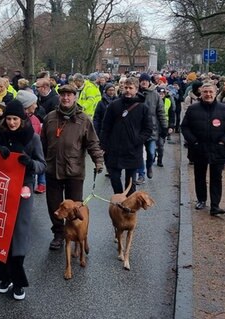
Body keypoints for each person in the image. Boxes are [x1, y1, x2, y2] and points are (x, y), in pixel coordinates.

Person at [0, 100, 46, 301]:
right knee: (0, 232)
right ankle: (4, 278)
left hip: (23, 188)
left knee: (19, 233)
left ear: (22, 120)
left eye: (15, 119)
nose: (12, 123)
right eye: (9, 119)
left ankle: (19, 281)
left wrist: (30, 164)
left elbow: (42, 165)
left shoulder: (33, 138)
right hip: (0, 188)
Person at [40, 84, 104, 250]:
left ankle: (76, 233)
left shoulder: (83, 119)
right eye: (63, 95)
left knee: (75, 207)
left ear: (75, 97)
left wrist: (98, 161)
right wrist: (40, 162)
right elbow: (42, 144)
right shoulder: (50, 118)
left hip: (74, 171)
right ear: (59, 97)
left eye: (69, 95)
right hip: (52, 169)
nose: (66, 98)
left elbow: (93, 143)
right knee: (54, 206)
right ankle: (59, 234)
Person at [181, 82, 225, 215]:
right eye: (205, 92)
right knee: (199, 176)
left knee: (216, 178)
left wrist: (224, 141)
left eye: (210, 92)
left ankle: (215, 205)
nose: (208, 94)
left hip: (218, 149)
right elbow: (185, 127)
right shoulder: (193, 109)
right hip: (199, 148)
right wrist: (193, 141)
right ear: (201, 93)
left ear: (215, 92)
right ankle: (201, 200)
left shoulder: (224, 109)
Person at [100, 77, 153, 196]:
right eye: (126, 88)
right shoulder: (114, 105)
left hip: (132, 150)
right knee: (114, 178)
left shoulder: (143, 107)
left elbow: (148, 129)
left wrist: (137, 140)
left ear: (136, 89)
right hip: (114, 149)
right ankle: (119, 201)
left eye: (131, 88)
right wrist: (103, 144)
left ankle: (129, 207)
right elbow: (106, 126)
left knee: (130, 183)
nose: (128, 90)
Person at [135, 73, 168, 184]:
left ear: (149, 82)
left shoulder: (155, 95)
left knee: (151, 153)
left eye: (146, 80)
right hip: (138, 129)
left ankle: (149, 166)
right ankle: (141, 174)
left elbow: (161, 112)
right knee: (139, 154)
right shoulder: (135, 94)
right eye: (142, 80)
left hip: (152, 129)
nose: (144, 82)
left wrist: (165, 127)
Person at [16, 90, 46, 194]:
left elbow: (41, 161)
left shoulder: (35, 120)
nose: (36, 106)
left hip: (28, 172)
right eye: (34, 103)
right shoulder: (9, 121)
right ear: (27, 105)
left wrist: (31, 163)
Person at [156, 86, 175, 167]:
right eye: (159, 93)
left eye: (162, 93)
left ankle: (159, 160)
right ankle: (152, 155)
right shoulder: (154, 101)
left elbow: (171, 115)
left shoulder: (168, 101)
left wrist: (171, 126)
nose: (161, 95)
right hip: (154, 126)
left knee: (161, 144)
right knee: (152, 146)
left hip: (164, 126)